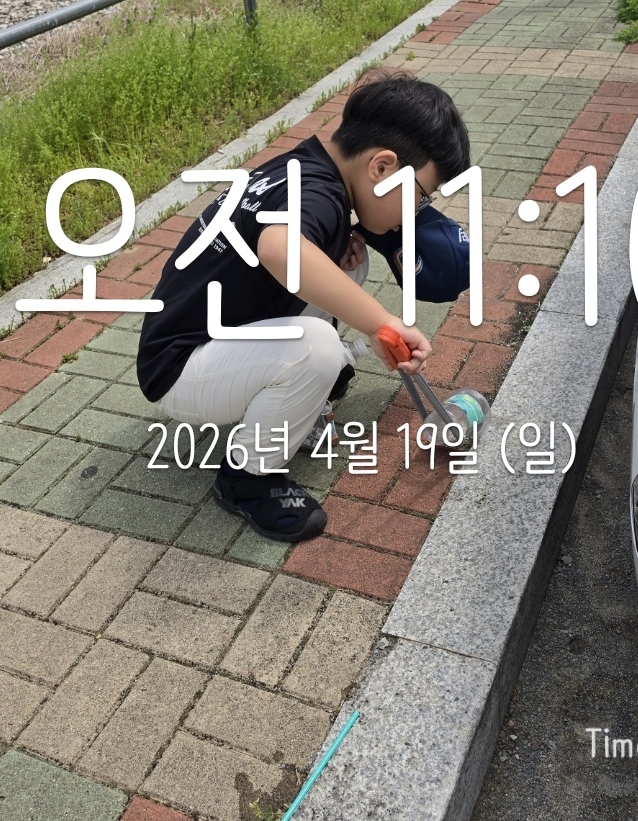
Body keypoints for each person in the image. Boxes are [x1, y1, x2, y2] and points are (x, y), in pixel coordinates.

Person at [137, 73, 472, 544]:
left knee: (345, 266)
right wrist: (382, 324)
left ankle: (300, 393)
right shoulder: (318, 195)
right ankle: (246, 479)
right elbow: (279, 249)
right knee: (315, 348)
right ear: (382, 167)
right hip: (179, 371)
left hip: (203, 339)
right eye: (420, 196)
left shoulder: (304, 166)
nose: (416, 211)